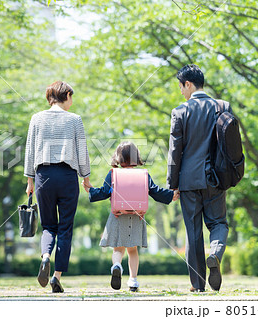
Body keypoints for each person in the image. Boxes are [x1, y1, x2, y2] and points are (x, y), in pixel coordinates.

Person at [24, 81, 92, 293]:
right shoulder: (75, 120)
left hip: (43, 175)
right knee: (65, 228)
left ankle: (45, 257)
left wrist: (30, 181)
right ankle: (56, 276)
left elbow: (30, 151)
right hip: (67, 176)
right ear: (68, 95)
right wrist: (86, 177)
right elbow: (82, 151)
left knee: (48, 227)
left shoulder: (36, 118)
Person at [167, 64, 229, 292]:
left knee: (193, 231)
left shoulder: (180, 111)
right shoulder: (222, 107)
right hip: (215, 178)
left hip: (189, 181)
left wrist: (172, 185)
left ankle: (198, 284)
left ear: (189, 84)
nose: (180, 91)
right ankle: (215, 252)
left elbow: (175, 152)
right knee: (219, 223)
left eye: (181, 86)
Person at [82, 141, 177, 291]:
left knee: (117, 250)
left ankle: (117, 265)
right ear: (136, 157)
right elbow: (155, 191)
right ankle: (133, 281)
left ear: (118, 157)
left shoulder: (113, 174)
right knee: (132, 250)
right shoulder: (143, 174)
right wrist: (171, 195)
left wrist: (90, 191)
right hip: (136, 215)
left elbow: (103, 192)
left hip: (117, 215)